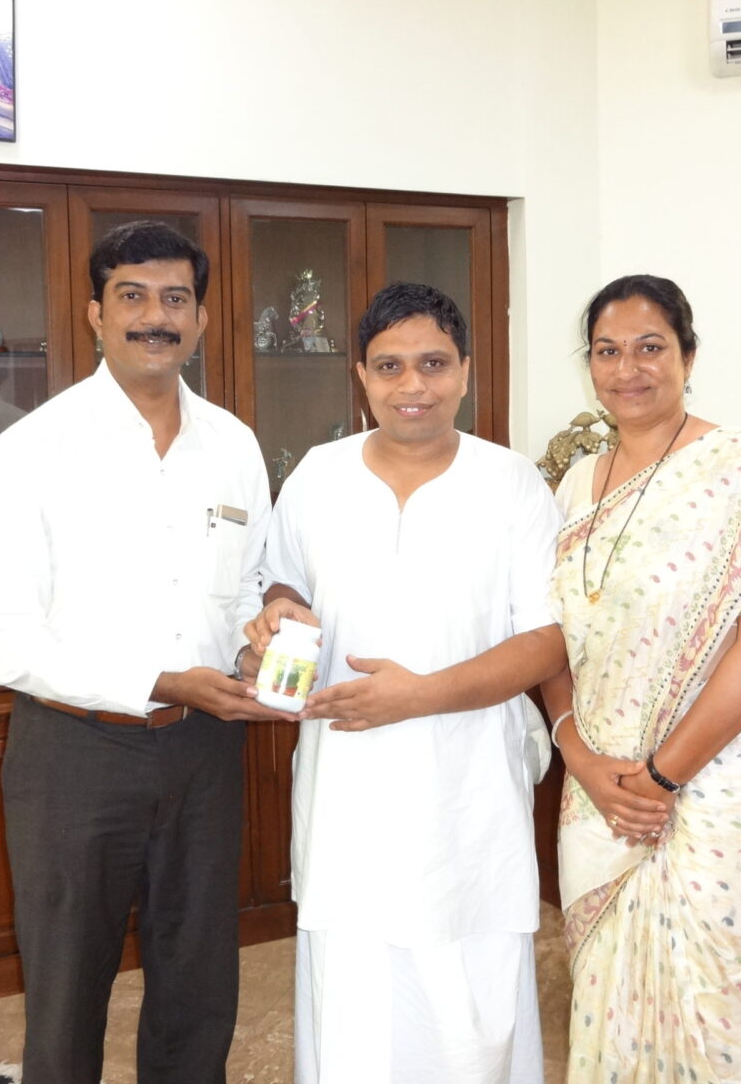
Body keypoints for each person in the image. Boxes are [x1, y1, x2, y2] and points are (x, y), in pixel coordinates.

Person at [0, 220, 287, 1084]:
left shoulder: (233, 445)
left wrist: (263, 638)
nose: (156, 317)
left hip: (204, 749)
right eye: (133, 297)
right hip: (76, 754)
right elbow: (6, 639)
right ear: (95, 315)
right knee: (68, 989)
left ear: (202, 318)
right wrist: (153, 680)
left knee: (199, 981)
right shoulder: (32, 448)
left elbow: (252, 582)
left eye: (175, 298)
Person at [247, 282, 566, 1084]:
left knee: (470, 993)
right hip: (347, 780)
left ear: (465, 372)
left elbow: (550, 640)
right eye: (390, 366)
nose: (411, 385)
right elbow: (281, 587)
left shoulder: (513, 483)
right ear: (361, 375)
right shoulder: (317, 477)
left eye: (432, 363)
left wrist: (417, 695)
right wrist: (275, 617)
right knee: (352, 983)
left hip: (466, 781)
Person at [542, 275, 741, 1084]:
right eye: (608, 351)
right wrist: (579, 757)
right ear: (589, 363)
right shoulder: (572, 485)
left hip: (727, 790)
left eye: (651, 348)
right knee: (611, 1007)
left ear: (688, 356)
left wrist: (661, 778)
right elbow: (553, 640)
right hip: (601, 789)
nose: (627, 369)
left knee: (728, 1030)